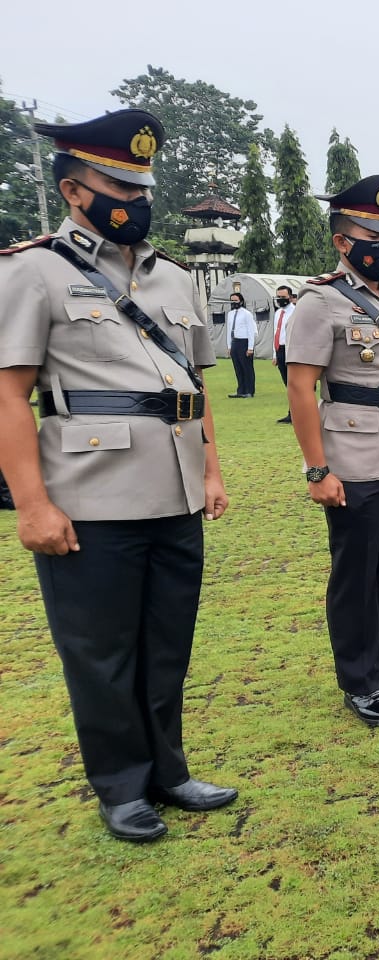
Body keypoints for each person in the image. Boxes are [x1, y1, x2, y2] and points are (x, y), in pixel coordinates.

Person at [0, 109, 236, 841]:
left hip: (174, 487)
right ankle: (121, 786)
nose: (135, 200)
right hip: (91, 492)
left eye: (142, 186)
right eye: (118, 185)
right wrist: (31, 505)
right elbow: (9, 393)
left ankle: (167, 770)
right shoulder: (33, 270)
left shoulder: (170, 276)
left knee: (168, 642)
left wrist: (213, 473)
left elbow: (190, 384)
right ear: (74, 190)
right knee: (101, 651)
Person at [285, 174, 379, 728]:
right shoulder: (319, 301)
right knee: (355, 571)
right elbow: (300, 387)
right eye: (368, 232)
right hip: (351, 455)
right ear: (341, 241)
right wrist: (317, 468)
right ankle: (360, 681)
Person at [225, 290, 256, 398]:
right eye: (232, 301)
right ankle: (240, 390)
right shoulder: (230, 314)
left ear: (241, 301)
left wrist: (250, 347)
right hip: (235, 341)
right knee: (237, 368)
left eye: (236, 300)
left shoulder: (247, 314)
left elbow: (251, 331)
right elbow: (229, 330)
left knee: (247, 368)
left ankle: (249, 391)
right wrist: (229, 346)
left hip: (244, 341)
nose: (233, 303)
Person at [271, 284, 294, 423]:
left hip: (291, 349)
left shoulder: (296, 312)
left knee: (294, 384)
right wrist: (275, 353)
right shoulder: (278, 313)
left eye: (283, 297)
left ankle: (296, 413)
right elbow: (276, 333)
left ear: (290, 297)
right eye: (278, 297)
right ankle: (291, 412)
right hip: (280, 350)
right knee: (287, 383)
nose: (280, 300)